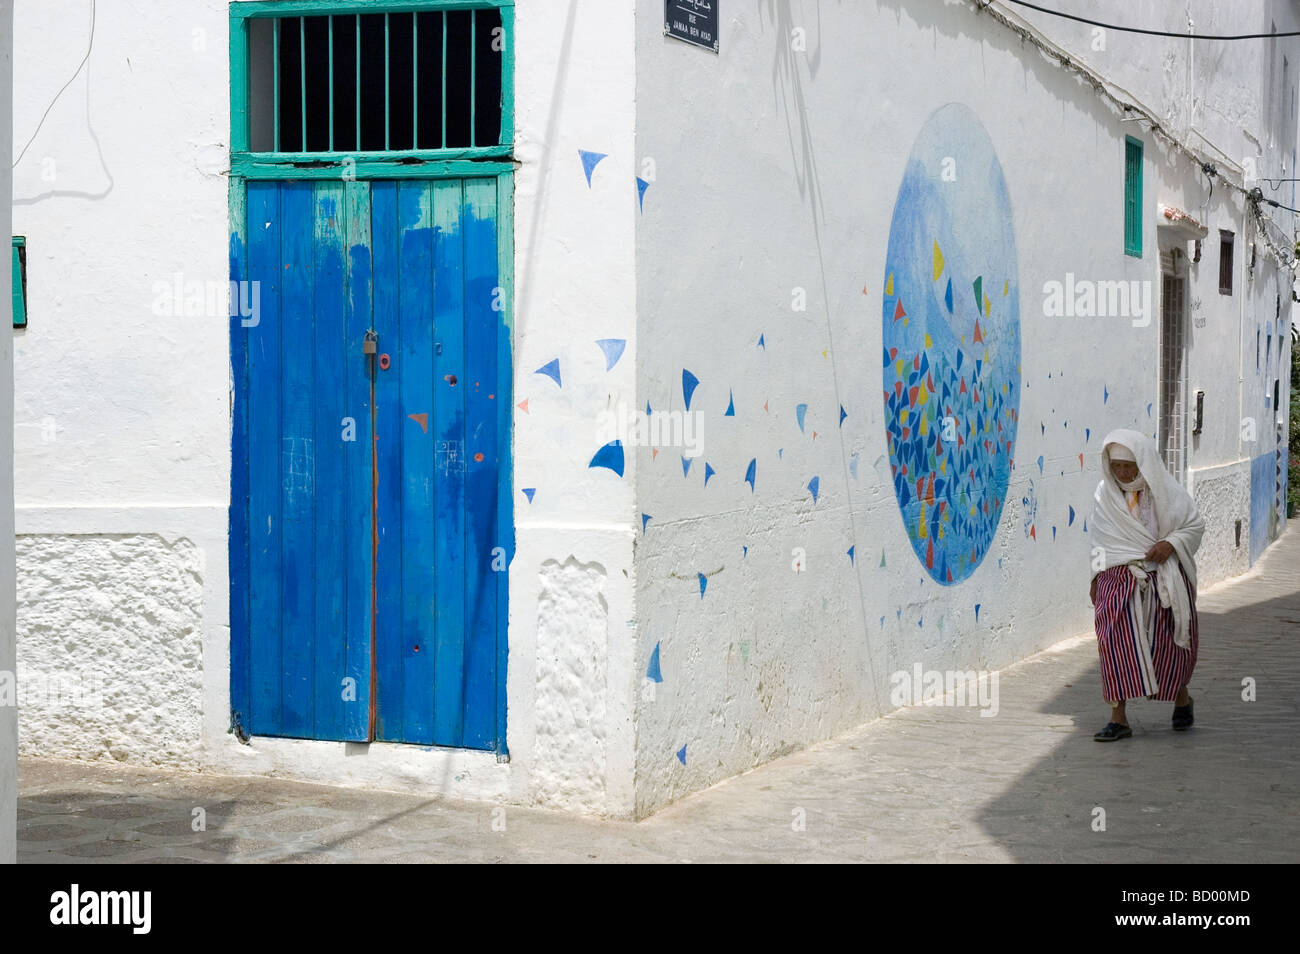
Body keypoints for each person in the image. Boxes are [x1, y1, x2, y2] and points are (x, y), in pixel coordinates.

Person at [1087, 428, 1205, 741]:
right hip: (1118, 577)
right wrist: (1095, 576)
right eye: (1117, 467)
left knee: (1168, 645)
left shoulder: (1165, 490)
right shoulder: (1105, 494)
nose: (1123, 473)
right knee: (1113, 643)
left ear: (1143, 463)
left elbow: (1194, 524)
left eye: (1129, 467)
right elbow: (1100, 539)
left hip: (1163, 575)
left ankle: (1181, 697)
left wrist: (1170, 543)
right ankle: (1118, 718)